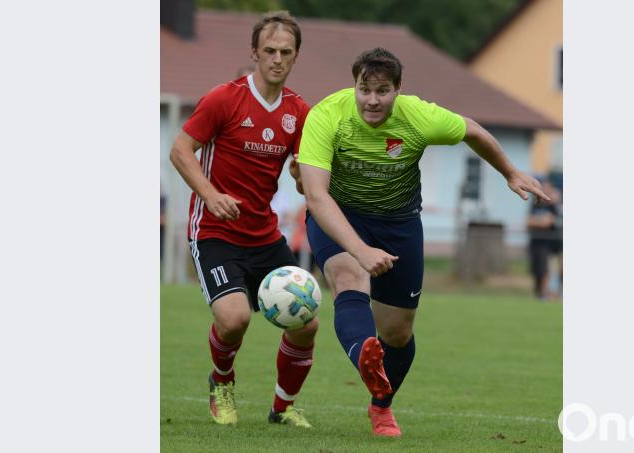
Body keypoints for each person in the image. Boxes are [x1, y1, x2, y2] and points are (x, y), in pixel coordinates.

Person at [296, 48, 550, 437]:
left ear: (398, 89)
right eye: (365, 89)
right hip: (341, 214)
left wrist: (510, 173)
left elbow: (474, 132)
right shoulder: (327, 115)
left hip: (399, 223)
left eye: (383, 90)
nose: (372, 100)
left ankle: (381, 404)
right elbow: (316, 196)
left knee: (398, 333)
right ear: (354, 86)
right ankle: (366, 356)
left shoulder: (419, 116)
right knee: (348, 276)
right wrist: (361, 251)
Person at [169, 11, 317, 428]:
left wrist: (303, 176)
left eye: (286, 52)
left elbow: (303, 173)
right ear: (254, 52)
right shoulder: (223, 98)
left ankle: (283, 407)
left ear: (295, 57)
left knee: (307, 322)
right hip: (214, 232)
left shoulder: (298, 111)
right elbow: (180, 150)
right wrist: (211, 195)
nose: (276, 58)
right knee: (235, 318)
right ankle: (222, 382)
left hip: (264, 235)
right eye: (269, 50)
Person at [527, 177, 563, 300]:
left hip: (552, 245)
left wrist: (540, 222)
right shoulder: (535, 204)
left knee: (549, 270)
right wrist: (541, 221)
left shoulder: (553, 205)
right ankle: (542, 294)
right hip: (537, 243)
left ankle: (549, 294)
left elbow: (549, 222)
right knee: (539, 270)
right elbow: (529, 221)